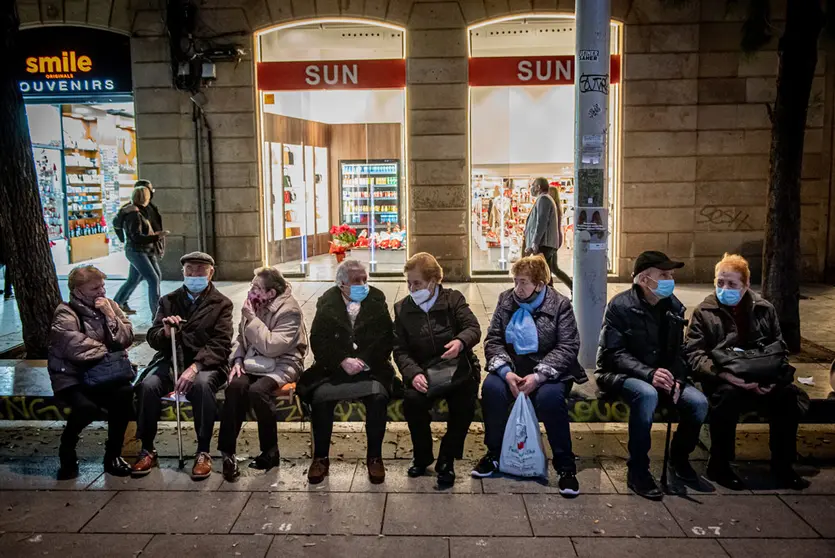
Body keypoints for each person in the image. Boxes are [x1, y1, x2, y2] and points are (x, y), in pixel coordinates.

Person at [685, 253, 810, 490]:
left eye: (732, 284)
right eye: (720, 282)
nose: (725, 288)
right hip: (723, 377)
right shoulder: (705, 312)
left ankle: (783, 465)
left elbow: (779, 349)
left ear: (745, 285)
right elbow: (695, 354)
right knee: (727, 397)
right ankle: (720, 464)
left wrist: (774, 379)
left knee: (787, 397)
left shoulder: (764, 309)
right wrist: (724, 375)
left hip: (763, 376)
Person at [596, 251, 708, 500]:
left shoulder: (674, 307)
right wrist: (649, 374)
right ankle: (638, 469)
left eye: (670, 274)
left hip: (662, 375)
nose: (670, 279)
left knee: (699, 403)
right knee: (646, 395)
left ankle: (679, 458)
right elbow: (614, 354)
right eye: (664, 274)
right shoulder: (620, 306)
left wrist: (677, 379)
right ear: (644, 280)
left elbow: (680, 352)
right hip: (620, 375)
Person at [473, 255, 586, 498]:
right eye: (515, 281)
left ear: (540, 283)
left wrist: (539, 376)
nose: (518, 288)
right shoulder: (506, 300)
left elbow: (568, 346)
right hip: (512, 368)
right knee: (492, 390)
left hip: (550, 373)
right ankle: (494, 453)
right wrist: (506, 372)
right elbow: (493, 339)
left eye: (523, 282)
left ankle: (565, 465)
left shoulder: (560, 305)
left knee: (550, 400)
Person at [133, 251, 233, 480]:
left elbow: (221, 343)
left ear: (210, 273)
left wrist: (195, 366)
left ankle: (203, 451)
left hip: (207, 365)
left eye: (200, 271)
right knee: (148, 386)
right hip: (172, 362)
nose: (194, 275)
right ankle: (147, 448)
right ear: (183, 273)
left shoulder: (221, 304)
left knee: (201, 385)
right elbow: (153, 337)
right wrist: (165, 332)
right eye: (190, 270)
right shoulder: (169, 300)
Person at [298, 260, 395, 485]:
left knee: (378, 397)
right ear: (341, 284)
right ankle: (321, 457)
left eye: (365, 279)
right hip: (333, 369)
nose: (362, 284)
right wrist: (342, 361)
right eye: (356, 281)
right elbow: (318, 341)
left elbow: (385, 338)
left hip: (370, 369)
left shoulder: (377, 299)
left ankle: (374, 457)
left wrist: (363, 360)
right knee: (320, 398)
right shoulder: (327, 302)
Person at [393, 253, 482, 486]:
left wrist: (460, 342)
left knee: (464, 405)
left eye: (417, 283)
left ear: (433, 281)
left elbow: (473, 327)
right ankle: (422, 457)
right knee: (412, 402)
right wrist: (413, 373)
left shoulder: (452, 300)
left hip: (457, 369)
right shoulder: (402, 308)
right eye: (409, 283)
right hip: (424, 371)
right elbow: (400, 350)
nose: (412, 288)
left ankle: (447, 458)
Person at [218, 267, 308, 481]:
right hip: (252, 361)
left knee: (258, 391)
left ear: (271, 294)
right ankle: (227, 453)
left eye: (257, 287)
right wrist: (237, 359)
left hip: (283, 363)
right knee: (235, 387)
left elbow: (272, 346)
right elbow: (240, 338)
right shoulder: (254, 306)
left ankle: (270, 451)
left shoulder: (290, 310)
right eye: (252, 285)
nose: (251, 290)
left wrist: (251, 318)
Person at [48, 265, 134, 480]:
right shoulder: (66, 312)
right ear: (78, 291)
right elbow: (74, 347)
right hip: (72, 378)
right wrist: (108, 349)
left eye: (103, 286)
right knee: (87, 408)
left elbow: (127, 337)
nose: (102, 292)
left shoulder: (111, 306)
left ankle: (113, 455)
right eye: (95, 288)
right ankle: (67, 448)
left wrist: (110, 316)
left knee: (124, 395)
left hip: (104, 375)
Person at [113, 185, 169, 316]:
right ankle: (156, 313)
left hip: (145, 250)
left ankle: (117, 303)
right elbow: (136, 236)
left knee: (136, 278)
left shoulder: (141, 210)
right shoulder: (133, 212)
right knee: (153, 279)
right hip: (138, 250)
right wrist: (156, 236)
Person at [524, 177, 573, 291]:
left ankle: (549, 297)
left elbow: (541, 222)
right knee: (549, 271)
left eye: (533, 185)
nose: (531, 188)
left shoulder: (544, 199)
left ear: (538, 187)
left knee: (542, 273)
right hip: (547, 243)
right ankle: (553, 296)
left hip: (544, 244)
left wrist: (534, 242)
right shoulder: (545, 199)